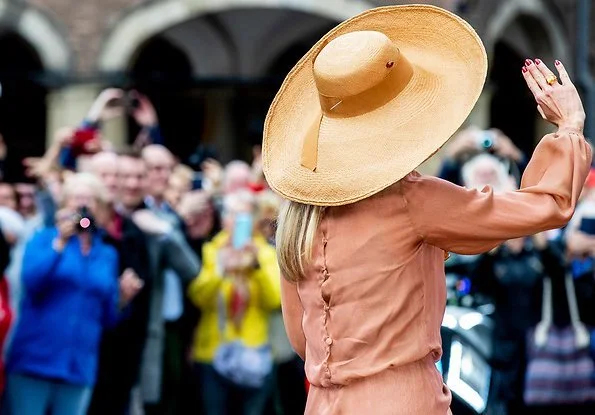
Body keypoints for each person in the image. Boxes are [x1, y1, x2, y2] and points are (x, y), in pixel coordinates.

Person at [261, 5, 591, 415]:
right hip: (404, 401)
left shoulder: (296, 216)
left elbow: (302, 340)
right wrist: (570, 129)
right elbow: (548, 205)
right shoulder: (409, 200)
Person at [4, 173, 143, 415]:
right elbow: (32, 283)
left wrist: (122, 297)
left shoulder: (107, 254)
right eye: (77, 200)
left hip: (78, 366)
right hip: (35, 361)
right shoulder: (43, 239)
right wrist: (60, 242)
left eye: (90, 201)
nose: (83, 207)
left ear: (100, 209)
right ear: (64, 205)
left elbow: (108, 317)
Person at [188, 190, 281, 415]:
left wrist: (256, 267)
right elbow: (198, 297)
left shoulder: (266, 254)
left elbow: (275, 300)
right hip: (213, 352)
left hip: (253, 353)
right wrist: (221, 270)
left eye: (244, 216)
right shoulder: (211, 250)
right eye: (231, 214)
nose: (237, 222)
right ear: (222, 219)